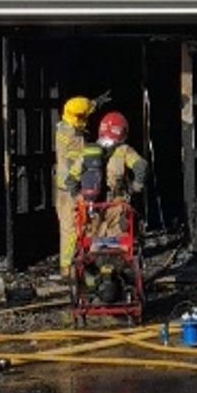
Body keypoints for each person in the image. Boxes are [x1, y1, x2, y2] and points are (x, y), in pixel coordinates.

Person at [54, 96, 96, 276]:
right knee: (74, 228)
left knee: (66, 226)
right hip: (71, 188)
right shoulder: (75, 138)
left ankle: (68, 265)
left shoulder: (62, 128)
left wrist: (93, 103)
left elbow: (78, 111)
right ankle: (69, 267)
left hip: (61, 187)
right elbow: (79, 165)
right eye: (86, 116)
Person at [93, 111, 147, 237]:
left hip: (92, 206)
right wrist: (136, 186)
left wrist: (76, 194)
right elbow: (141, 165)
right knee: (117, 241)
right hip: (116, 204)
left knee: (92, 241)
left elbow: (74, 175)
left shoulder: (90, 150)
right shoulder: (124, 150)